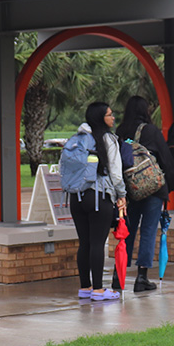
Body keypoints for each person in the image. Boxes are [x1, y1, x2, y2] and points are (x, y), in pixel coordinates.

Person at [69, 103, 127, 299]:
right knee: (97, 243)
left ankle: (85, 287)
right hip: (99, 195)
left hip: (76, 196)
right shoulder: (108, 139)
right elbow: (116, 174)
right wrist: (122, 195)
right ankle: (99, 289)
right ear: (101, 118)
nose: (113, 118)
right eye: (110, 115)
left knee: (84, 243)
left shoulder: (77, 138)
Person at [118, 96, 174, 292]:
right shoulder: (151, 131)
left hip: (129, 190)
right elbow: (166, 159)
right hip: (152, 189)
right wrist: (169, 184)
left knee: (128, 231)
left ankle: (119, 276)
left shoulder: (120, 131)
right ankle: (141, 277)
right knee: (149, 230)